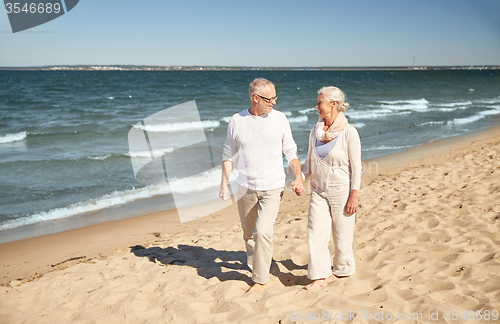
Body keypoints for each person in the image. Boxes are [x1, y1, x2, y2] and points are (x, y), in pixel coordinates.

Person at [220, 78, 303, 292]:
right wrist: (223, 183)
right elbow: (228, 155)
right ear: (255, 98)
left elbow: (291, 152)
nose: (274, 102)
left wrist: (299, 176)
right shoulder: (237, 120)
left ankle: (260, 279)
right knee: (249, 236)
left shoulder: (280, 119)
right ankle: (257, 266)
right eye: (270, 98)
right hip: (245, 187)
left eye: (276, 97)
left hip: (273, 185)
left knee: (263, 232)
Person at [301, 86, 361, 290]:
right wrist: (300, 178)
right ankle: (319, 276)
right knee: (315, 232)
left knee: (342, 235)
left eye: (320, 103)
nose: (316, 106)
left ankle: (342, 270)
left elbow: (357, 167)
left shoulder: (349, 133)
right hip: (318, 191)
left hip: (341, 191)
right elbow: (309, 162)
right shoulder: (315, 131)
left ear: (333, 104)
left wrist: (354, 195)